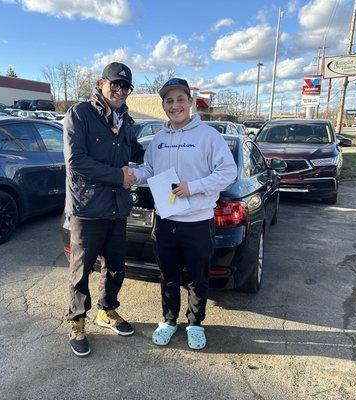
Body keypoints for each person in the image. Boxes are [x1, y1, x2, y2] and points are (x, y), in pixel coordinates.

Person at [131, 78, 237, 350]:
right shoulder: (159, 140)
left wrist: (194, 187)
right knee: (167, 275)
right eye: (169, 100)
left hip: (198, 222)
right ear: (164, 106)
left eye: (180, 99)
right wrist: (131, 175)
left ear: (190, 102)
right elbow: (149, 171)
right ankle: (168, 320)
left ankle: (195, 324)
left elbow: (228, 172)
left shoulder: (209, 136)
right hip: (166, 221)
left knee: (197, 277)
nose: (175, 105)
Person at [63, 62, 144, 357]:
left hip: (117, 207)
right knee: (81, 270)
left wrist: (168, 148)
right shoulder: (80, 114)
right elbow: (77, 161)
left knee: (116, 265)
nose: (119, 90)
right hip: (87, 207)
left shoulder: (126, 121)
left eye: (125, 87)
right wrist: (119, 176)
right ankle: (76, 321)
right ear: (101, 83)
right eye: (115, 84)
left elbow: (134, 151)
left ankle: (107, 310)